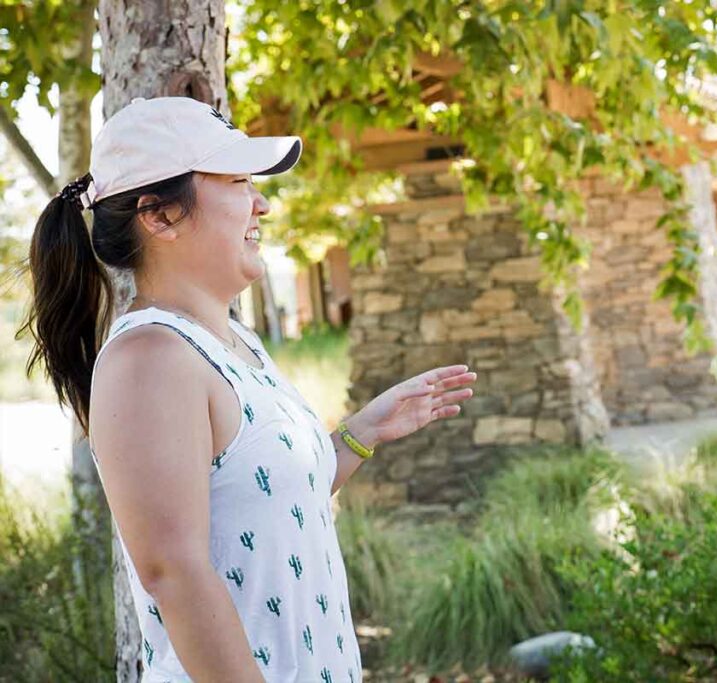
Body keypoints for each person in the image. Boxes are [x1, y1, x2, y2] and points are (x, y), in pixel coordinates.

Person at [21, 96, 476, 682]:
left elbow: (261, 505)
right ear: (159, 216)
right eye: (237, 181)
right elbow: (173, 573)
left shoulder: (237, 341)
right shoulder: (149, 359)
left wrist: (360, 433)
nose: (261, 202)